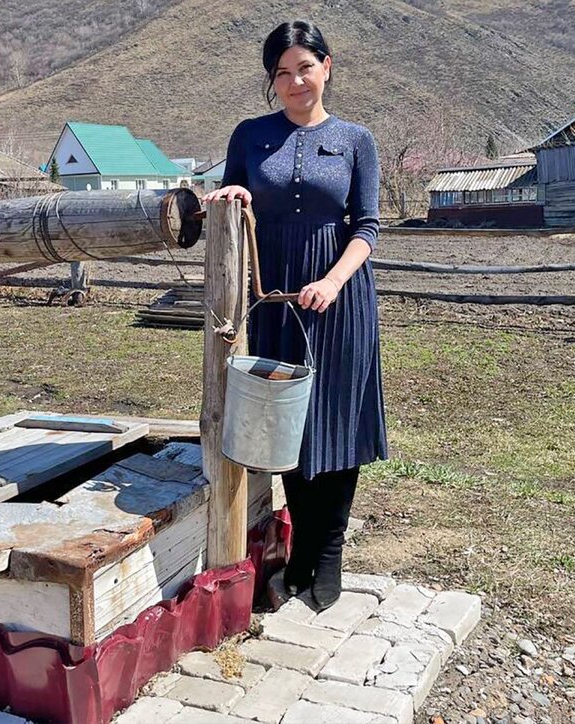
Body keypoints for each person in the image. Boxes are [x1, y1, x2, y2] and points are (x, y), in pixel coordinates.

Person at [202, 20, 389, 610]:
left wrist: (333, 281)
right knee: (286, 427)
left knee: (338, 426)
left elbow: (367, 226)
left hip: (340, 302)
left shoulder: (358, 140)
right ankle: (302, 554)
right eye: (281, 73)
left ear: (326, 67)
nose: (293, 81)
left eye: (304, 67)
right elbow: (232, 197)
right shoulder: (250, 136)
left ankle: (324, 557)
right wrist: (234, 196)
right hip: (276, 302)